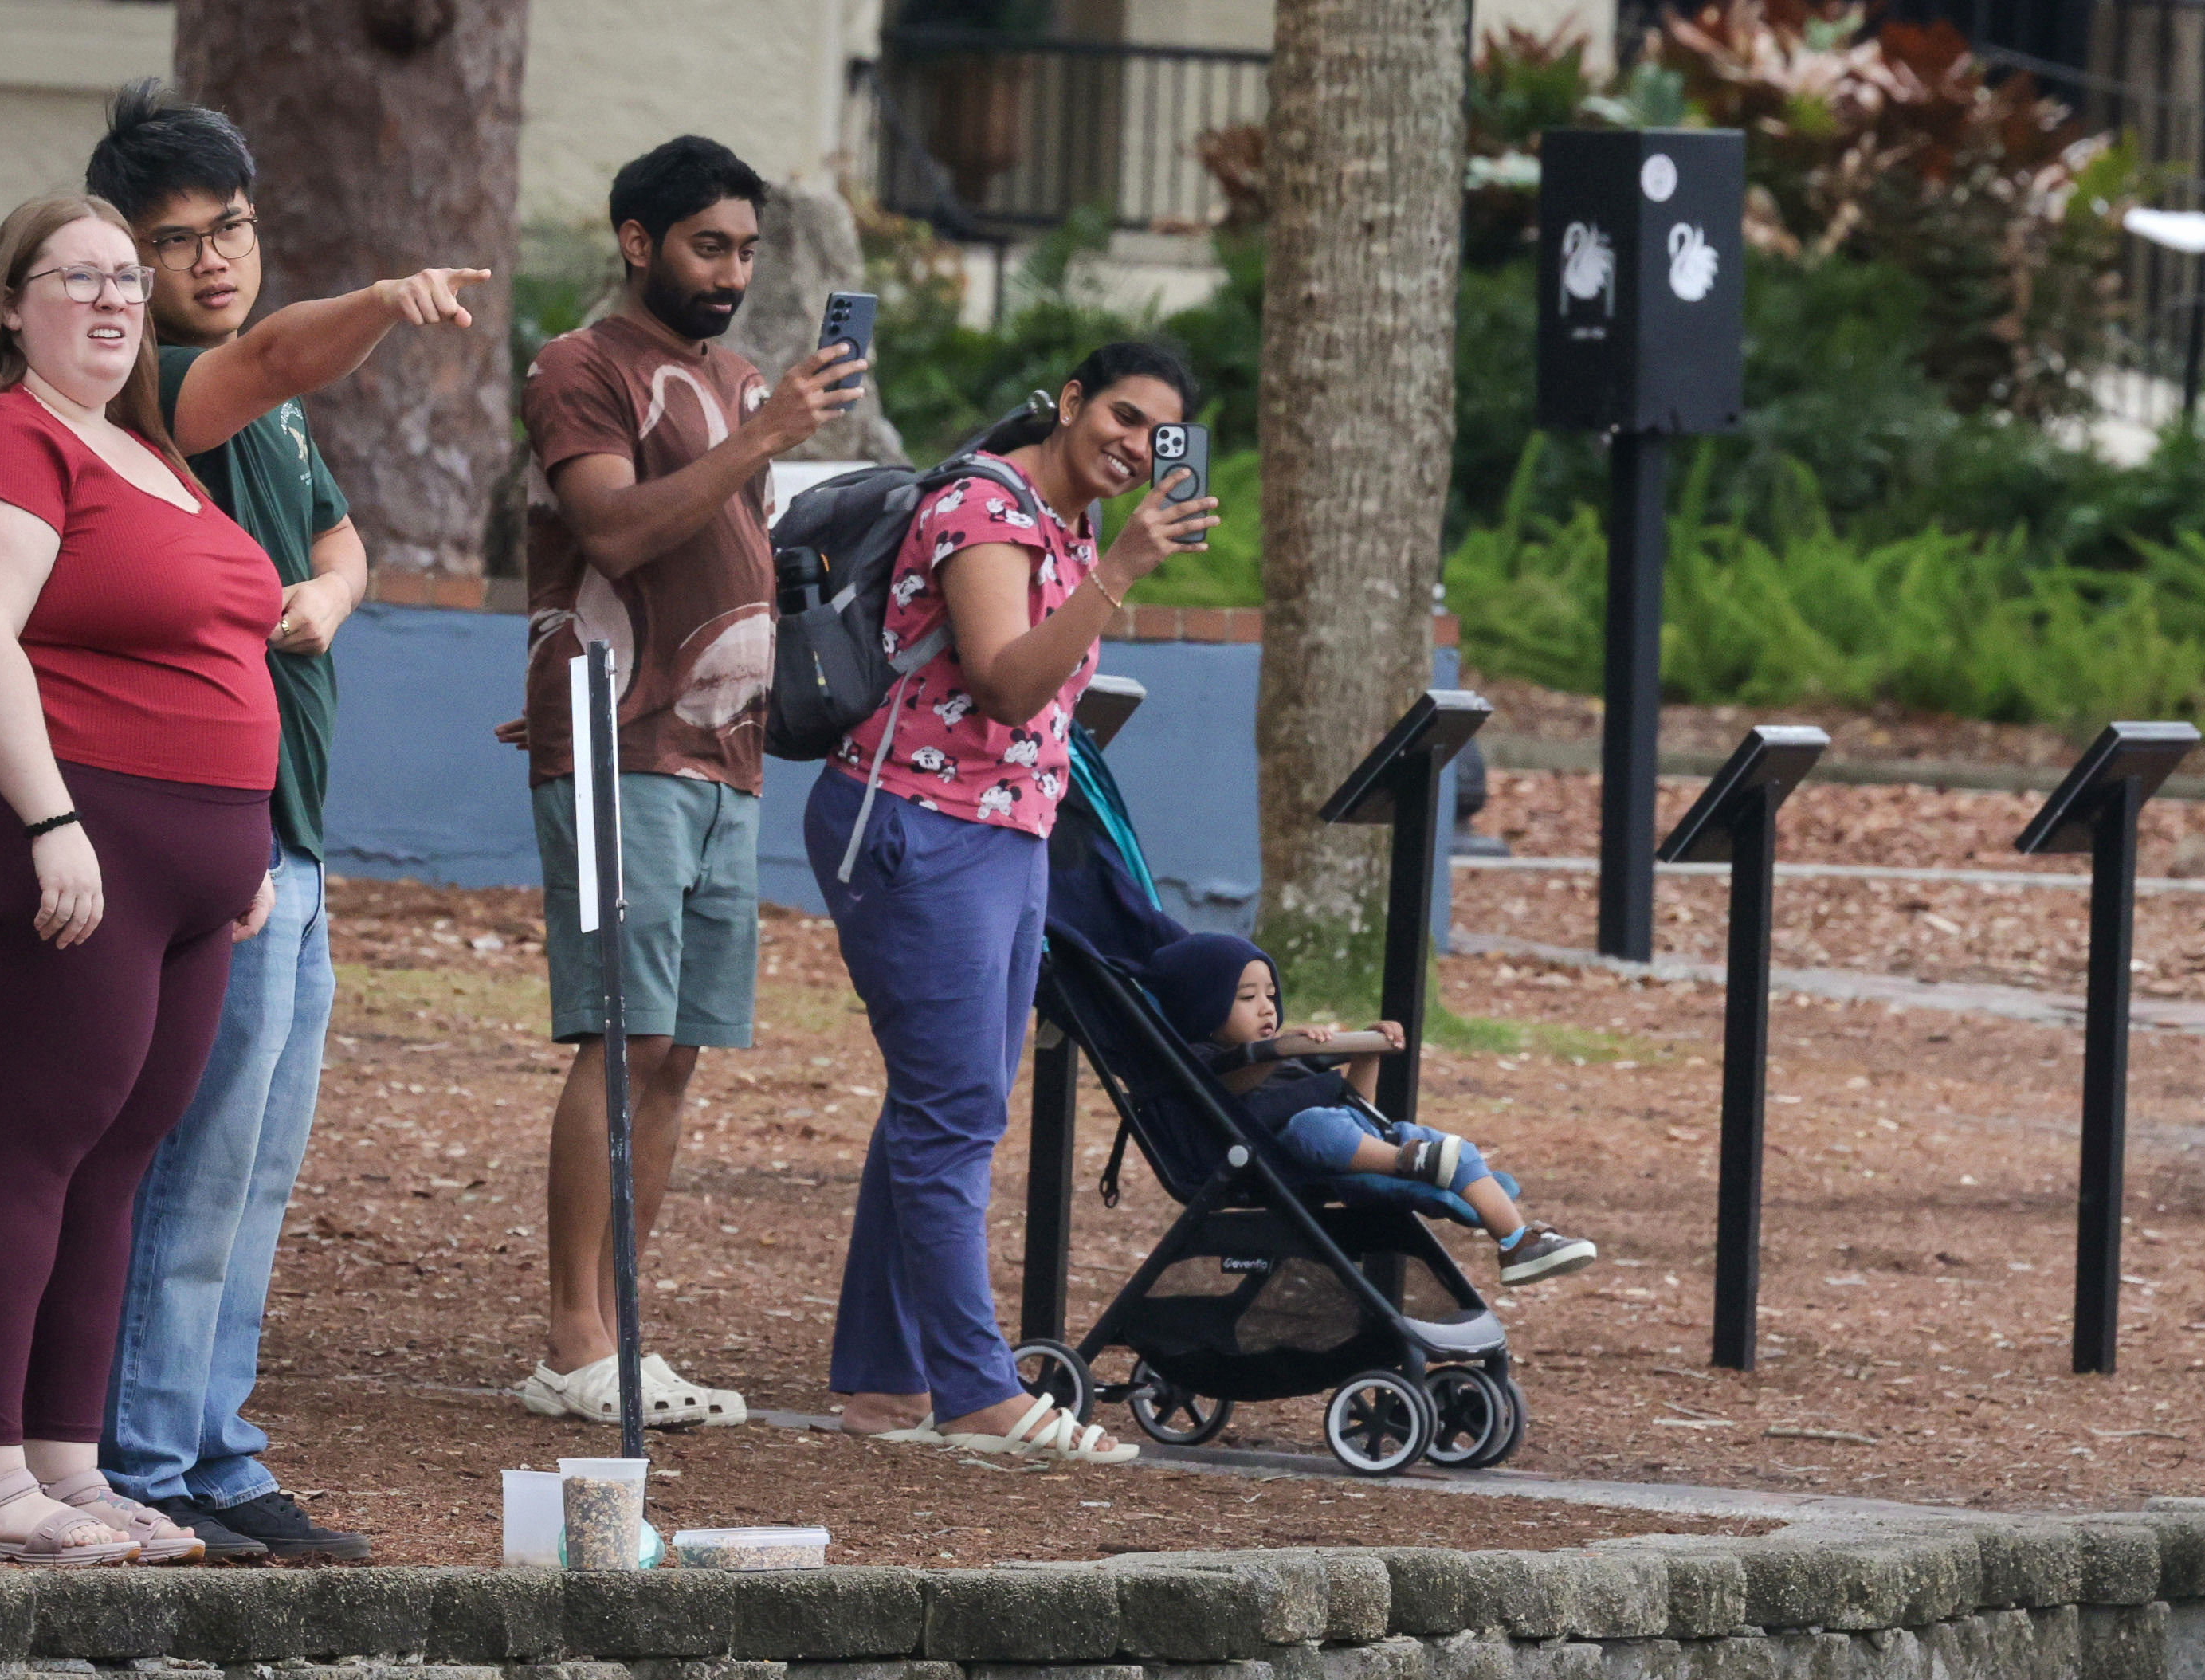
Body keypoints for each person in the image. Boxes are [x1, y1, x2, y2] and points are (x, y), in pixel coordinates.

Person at [84, 82, 489, 1563]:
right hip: (220, 837)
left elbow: (333, 528)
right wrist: (385, 297)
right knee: (195, 1159)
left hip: (294, 836)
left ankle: (216, 1445)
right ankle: (146, 1456)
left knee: (257, 1169)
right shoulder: (167, 384)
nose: (209, 260)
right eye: (172, 241)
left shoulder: (277, 414)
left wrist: (328, 594)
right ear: (120, 267)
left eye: (229, 228)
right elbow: (261, 353)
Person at [0, 194, 284, 1564]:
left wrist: (244, 851)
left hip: (188, 869)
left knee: (114, 1162)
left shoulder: (147, 453)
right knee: (24, 1141)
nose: (112, 297)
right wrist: (52, 822)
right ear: (12, 303)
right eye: (76, 276)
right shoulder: (2, 442)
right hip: (53, 835)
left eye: (125, 275)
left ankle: (66, 1465)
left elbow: (222, 654)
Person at [811, 343, 1217, 1465]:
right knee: (955, 1117)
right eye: (1120, 417)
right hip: (917, 827)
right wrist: (1121, 572)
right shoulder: (982, 508)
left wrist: (1106, 562)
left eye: (1155, 435)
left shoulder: (1072, 523)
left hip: (1005, 837)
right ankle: (978, 1389)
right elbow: (1004, 678)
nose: (1133, 448)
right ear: (1073, 402)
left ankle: (883, 1380)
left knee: (941, 1105)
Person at [512, 135, 861, 1428]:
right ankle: (569, 1338)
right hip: (620, 741)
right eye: (708, 245)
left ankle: (619, 1331)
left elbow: (722, 546)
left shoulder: (738, 377)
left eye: (746, 251)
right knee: (625, 1031)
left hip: (726, 748)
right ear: (637, 239)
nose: (731, 272)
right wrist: (768, 432)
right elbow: (610, 526)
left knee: (680, 1054)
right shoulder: (581, 367)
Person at [1147, 932, 1598, 1286]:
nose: (1267, 1007)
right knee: (1311, 1125)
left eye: (1270, 994)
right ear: (1202, 1009)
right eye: (1247, 998)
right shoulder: (1203, 1063)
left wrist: (1366, 1051)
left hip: (1359, 1145)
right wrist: (1273, 1052)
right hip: (1282, 1155)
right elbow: (1228, 1087)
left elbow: (1357, 1108)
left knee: (1451, 1150)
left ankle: (1517, 1243)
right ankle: (1414, 1162)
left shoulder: (1281, 1060)